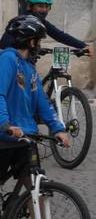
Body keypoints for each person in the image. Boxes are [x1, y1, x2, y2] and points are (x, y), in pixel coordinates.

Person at [0, 15, 71, 183]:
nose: (39, 46)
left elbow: (42, 101)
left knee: (37, 187)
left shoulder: (30, 69)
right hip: (4, 136)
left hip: (25, 136)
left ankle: (30, 208)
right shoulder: (7, 60)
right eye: (38, 41)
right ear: (31, 42)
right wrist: (5, 124)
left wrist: (57, 128)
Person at [0, 0, 93, 56]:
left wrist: (83, 46)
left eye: (47, 6)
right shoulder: (22, 22)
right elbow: (4, 44)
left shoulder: (40, 22)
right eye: (40, 6)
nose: (44, 10)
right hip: (14, 62)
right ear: (30, 6)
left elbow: (59, 35)